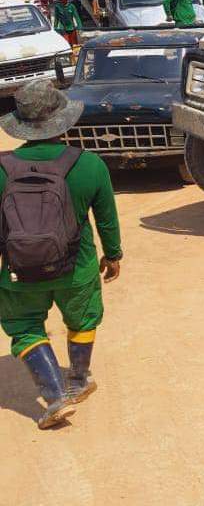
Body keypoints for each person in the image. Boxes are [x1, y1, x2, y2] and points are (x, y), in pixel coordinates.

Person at [0, 79, 122, 429]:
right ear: (62, 120)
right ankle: (79, 380)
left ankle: (54, 396)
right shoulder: (89, 165)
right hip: (76, 269)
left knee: (24, 327)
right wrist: (113, 256)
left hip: (18, 272)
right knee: (82, 319)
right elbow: (107, 221)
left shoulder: (2, 168)